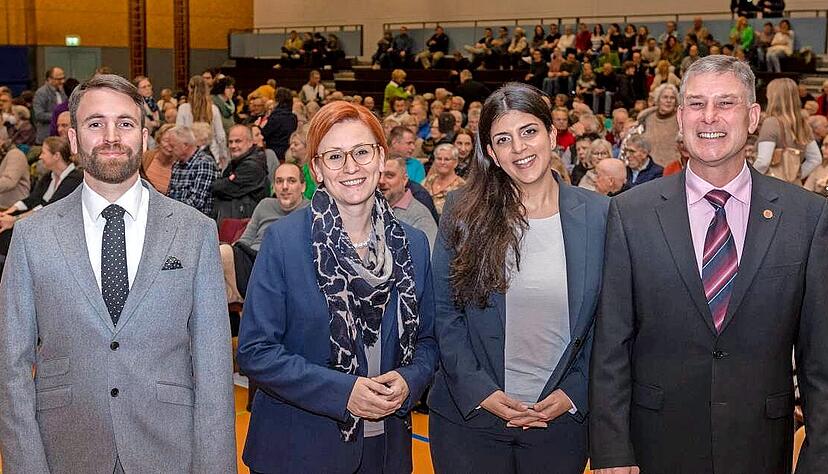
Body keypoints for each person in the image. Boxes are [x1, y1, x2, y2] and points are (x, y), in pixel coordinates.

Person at [590, 54, 828, 474]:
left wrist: (818, 459)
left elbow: (819, 361)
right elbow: (611, 344)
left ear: (753, 116)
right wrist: (612, 451)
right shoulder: (630, 213)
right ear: (680, 118)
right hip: (655, 446)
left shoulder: (806, 217)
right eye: (696, 104)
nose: (709, 117)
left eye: (726, 103)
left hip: (759, 447)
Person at [0, 73, 236, 472]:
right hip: (67, 452)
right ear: (74, 140)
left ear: (143, 136)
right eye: (96, 124)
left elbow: (214, 369)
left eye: (125, 123)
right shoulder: (31, 236)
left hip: (169, 452)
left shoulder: (194, 231)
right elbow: (12, 369)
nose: (111, 136)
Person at [236, 100, 437, 473]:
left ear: (380, 158)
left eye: (361, 152)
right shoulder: (284, 242)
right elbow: (255, 351)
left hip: (386, 449)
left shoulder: (413, 244)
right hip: (298, 450)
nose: (351, 168)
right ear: (316, 168)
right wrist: (344, 392)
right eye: (334, 156)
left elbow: (427, 341)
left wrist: (410, 381)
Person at [428, 82, 609, 474]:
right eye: (504, 140)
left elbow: (610, 322)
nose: (520, 148)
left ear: (550, 134)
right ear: (491, 154)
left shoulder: (600, 215)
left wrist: (573, 393)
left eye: (529, 132)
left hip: (559, 421)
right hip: (471, 418)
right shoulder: (463, 211)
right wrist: (482, 391)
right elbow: (444, 313)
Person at [219, 162, 309, 306]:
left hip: (281, 265)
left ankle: (242, 299)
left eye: (291, 181)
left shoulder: (310, 210)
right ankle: (245, 299)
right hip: (251, 259)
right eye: (279, 181)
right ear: (274, 186)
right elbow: (245, 240)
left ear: (303, 186)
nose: (284, 187)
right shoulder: (265, 204)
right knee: (220, 253)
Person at [753, 78, 821, 184]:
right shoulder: (802, 124)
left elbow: (763, 161)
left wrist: (748, 179)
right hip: (795, 187)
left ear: (773, 96)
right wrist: (796, 175)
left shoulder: (771, 123)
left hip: (773, 187)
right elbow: (816, 159)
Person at [378, 156, 437, 250]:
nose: (381, 181)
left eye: (389, 176)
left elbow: (428, 259)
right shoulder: (370, 208)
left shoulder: (420, 217)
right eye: (378, 174)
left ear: (404, 179)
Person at [213, 124, 269, 222]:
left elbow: (221, 187)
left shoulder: (252, 165)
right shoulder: (237, 162)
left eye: (238, 141)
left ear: (250, 142)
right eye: (230, 142)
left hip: (245, 223)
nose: (233, 146)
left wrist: (226, 181)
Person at [166, 125, 220, 216]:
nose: (169, 149)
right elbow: (170, 194)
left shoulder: (204, 163)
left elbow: (196, 203)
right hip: (176, 217)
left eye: (173, 146)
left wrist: (170, 210)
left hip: (197, 222)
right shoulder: (177, 164)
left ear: (185, 145)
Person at [176, 75, 227, 166]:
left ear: (189, 89)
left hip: (189, 154)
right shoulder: (213, 109)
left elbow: (179, 133)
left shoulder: (183, 109)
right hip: (212, 153)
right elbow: (221, 136)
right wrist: (223, 155)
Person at [638, 84, 681, 168]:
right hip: (649, 169)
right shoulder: (647, 118)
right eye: (665, 97)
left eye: (672, 98)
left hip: (672, 169)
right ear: (658, 99)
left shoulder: (680, 119)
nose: (668, 101)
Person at [422, 143, 466, 216]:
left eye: (447, 159)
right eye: (439, 159)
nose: (442, 162)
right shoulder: (429, 179)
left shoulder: (462, 186)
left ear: (455, 162)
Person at [261, 87, 298, 161]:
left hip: (274, 154)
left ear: (277, 101)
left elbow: (264, 134)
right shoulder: (293, 117)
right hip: (288, 153)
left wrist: (259, 126)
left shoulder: (275, 117)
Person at [32, 67, 67, 144]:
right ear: (49, 79)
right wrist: (57, 116)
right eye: (58, 79)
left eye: (63, 78)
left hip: (60, 137)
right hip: (46, 137)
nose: (62, 81)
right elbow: (39, 114)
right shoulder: (41, 93)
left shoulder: (63, 92)